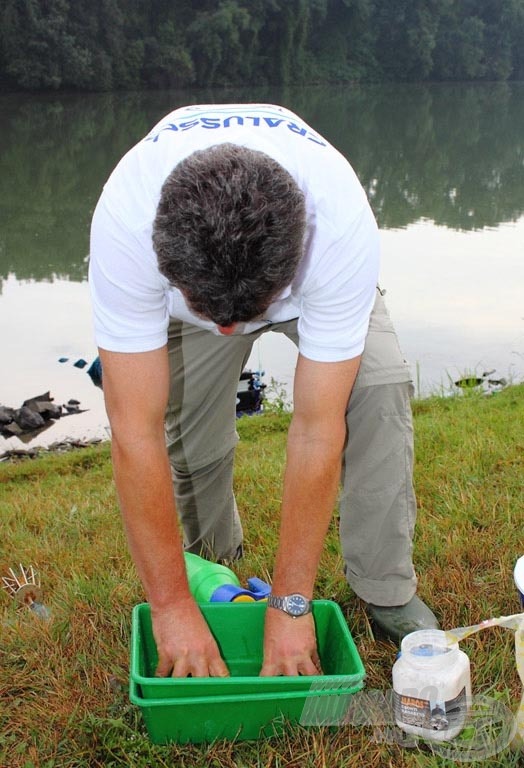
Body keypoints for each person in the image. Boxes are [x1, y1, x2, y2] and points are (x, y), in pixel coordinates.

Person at [89, 103, 438, 678]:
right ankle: (211, 571)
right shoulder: (125, 223)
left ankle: (386, 588)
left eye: (245, 318)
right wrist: (169, 606)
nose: (232, 331)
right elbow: (134, 434)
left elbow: (317, 428)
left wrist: (291, 602)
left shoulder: (338, 224)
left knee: (377, 387)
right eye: (219, 320)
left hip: (301, 288)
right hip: (190, 295)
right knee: (189, 436)